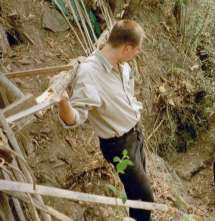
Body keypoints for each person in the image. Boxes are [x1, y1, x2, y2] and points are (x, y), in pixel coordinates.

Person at [57, 19, 154, 221]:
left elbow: (126, 96)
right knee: (145, 197)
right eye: (137, 49)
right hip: (118, 147)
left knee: (137, 195)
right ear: (127, 48)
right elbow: (74, 118)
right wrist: (64, 102)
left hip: (136, 135)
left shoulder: (124, 66)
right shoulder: (89, 74)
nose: (138, 53)